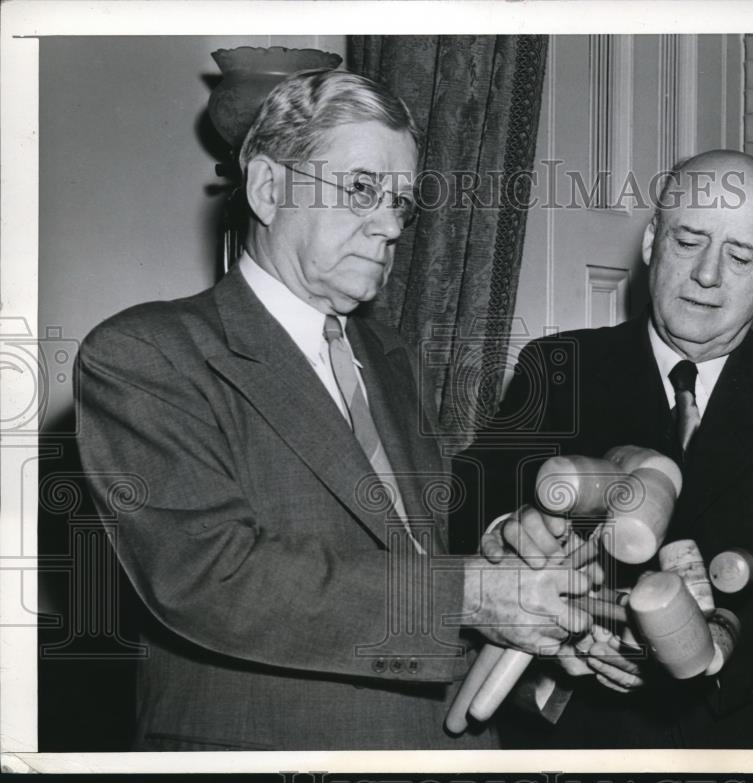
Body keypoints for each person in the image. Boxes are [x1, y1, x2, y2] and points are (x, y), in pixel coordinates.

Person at [75, 69, 593, 751]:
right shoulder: (147, 353)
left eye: (402, 202)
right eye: (360, 189)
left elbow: (410, 552)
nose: (388, 226)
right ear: (267, 188)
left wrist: (516, 588)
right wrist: (470, 593)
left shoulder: (389, 356)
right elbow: (209, 577)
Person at [453, 149, 753, 748]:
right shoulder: (559, 367)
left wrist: (726, 638)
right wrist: (506, 532)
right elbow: (471, 496)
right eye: (689, 242)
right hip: (586, 737)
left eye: (740, 256)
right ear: (653, 240)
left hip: (751, 737)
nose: (709, 275)